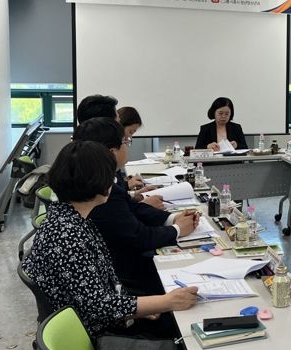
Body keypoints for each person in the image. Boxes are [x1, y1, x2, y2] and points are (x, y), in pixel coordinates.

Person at [22, 140, 198, 337]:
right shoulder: (68, 236)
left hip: (102, 317)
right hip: (99, 333)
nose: (113, 183)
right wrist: (165, 302)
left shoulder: (69, 216)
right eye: (110, 176)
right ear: (96, 182)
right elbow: (98, 307)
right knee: (186, 329)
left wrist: (141, 306)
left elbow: (102, 289)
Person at [73, 118, 199, 296]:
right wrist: (177, 229)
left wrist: (171, 218)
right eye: (125, 142)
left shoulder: (100, 179)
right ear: (111, 152)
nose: (128, 146)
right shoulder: (99, 189)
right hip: (124, 274)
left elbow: (131, 207)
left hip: (117, 265)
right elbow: (137, 236)